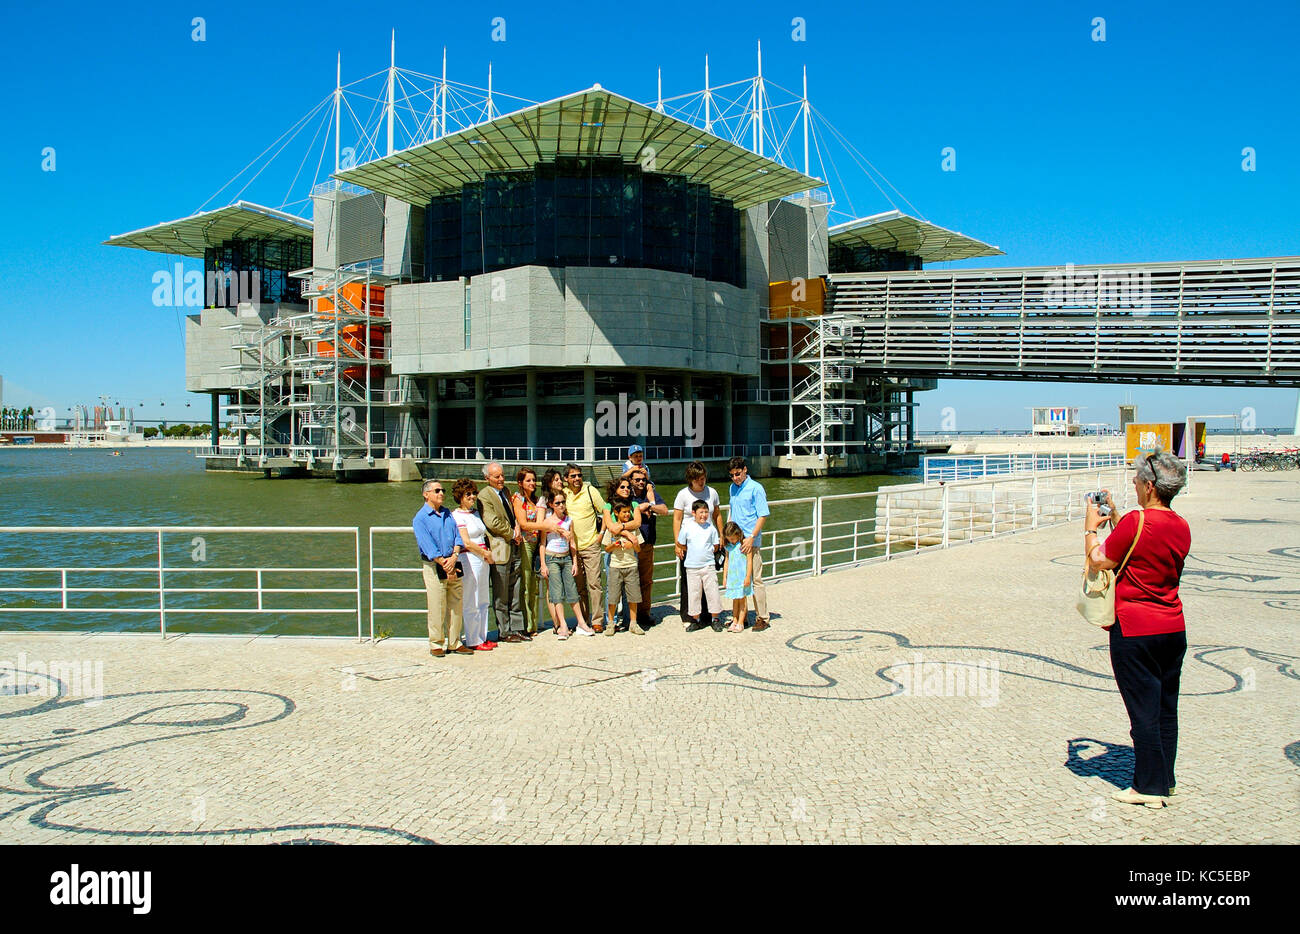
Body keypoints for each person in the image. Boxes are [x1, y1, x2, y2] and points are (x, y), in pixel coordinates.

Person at [1085, 451, 1191, 809]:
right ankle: (1166, 779)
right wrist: (1115, 515)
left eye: (1135, 480)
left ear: (1149, 486)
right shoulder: (1180, 524)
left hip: (1135, 629)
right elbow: (1142, 547)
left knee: (1142, 711)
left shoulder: (1137, 521)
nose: (1132, 483)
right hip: (1173, 628)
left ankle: (1147, 788)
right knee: (1165, 708)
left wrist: (1090, 527)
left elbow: (1101, 559)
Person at [412, 479, 473, 657]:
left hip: (453, 562)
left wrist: (454, 556)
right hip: (434, 566)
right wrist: (443, 561)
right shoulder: (420, 518)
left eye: (442, 490)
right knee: (437, 605)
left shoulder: (447, 513)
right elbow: (426, 545)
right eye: (437, 490)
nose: (441, 493)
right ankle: (436, 643)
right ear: (426, 494)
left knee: (456, 604)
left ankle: (455, 641)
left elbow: (457, 537)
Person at [478, 462, 528, 643]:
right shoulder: (484, 496)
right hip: (499, 547)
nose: (501, 479)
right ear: (487, 478)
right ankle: (504, 630)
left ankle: (517, 628)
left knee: (515, 588)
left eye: (502, 475)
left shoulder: (506, 491)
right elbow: (491, 521)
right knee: (501, 591)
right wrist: (512, 533)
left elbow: (513, 514)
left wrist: (517, 528)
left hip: (515, 546)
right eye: (496, 476)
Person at [673, 461, 722, 629]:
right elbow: (677, 519)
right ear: (690, 479)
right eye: (698, 479)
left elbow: (717, 515)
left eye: (703, 478)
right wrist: (677, 544)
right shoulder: (683, 495)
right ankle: (691, 615)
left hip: (708, 542)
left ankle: (710, 616)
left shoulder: (712, 492)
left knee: (709, 581)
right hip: (689, 543)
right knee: (689, 582)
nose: (701, 482)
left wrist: (721, 535)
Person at [539, 491, 593, 639]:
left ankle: (581, 623)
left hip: (566, 558)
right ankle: (562, 625)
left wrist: (575, 561)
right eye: (557, 503)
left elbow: (572, 543)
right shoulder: (547, 522)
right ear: (551, 505)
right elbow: (542, 544)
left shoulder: (569, 520)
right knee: (557, 593)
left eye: (563, 502)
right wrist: (543, 564)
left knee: (572, 591)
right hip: (552, 558)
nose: (561, 505)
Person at [727, 456, 771, 632]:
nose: (736, 478)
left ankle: (763, 617)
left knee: (756, 579)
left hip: (750, 541)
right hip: (735, 541)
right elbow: (732, 512)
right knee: (738, 579)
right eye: (732, 475)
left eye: (738, 474)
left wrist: (752, 536)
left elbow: (763, 515)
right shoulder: (732, 488)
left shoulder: (756, 488)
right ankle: (741, 617)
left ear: (745, 470)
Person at [563, 463, 608, 632]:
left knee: (594, 584)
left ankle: (597, 620)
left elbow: (606, 509)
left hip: (591, 545)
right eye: (573, 476)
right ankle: (583, 620)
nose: (577, 479)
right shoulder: (563, 493)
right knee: (579, 586)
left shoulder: (590, 491)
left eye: (579, 475)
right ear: (566, 478)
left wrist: (601, 533)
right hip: (572, 549)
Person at [451, 478, 495, 651]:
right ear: (460, 496)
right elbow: (466, 542)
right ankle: (473, 639)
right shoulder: (457, 516)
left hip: (483, 559)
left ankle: (482, 636)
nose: (472, 496)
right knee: (472, 598)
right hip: (470, 558)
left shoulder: (475, 513)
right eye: (467, 494)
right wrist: (485, 553)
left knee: (483, 598)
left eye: (473, 493)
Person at [512, 467, 556, 635]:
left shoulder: (536, 500)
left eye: (533, 480)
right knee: (526, 583)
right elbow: (523, 524)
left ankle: (533, 625)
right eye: (528, 480)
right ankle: (526, 624)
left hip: (537, 543)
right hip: (524, 544)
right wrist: (546, 525)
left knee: (533, 584)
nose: (532, 483)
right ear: (520, 483)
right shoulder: (518, 499)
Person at [624, 467, 668, 628]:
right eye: (637, 480)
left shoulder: (651, 495)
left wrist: (648, 506)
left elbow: (664, 510)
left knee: (646, 581)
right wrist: (638, 508)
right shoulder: (626, 494)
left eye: (643, 480)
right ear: (631, 481)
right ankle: (626, 616)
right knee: (627, 580)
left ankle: (644, 614)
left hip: (647, 544)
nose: (641, 482)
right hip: (629, 545)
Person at [677, 499, 721, 632]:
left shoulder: (711, 528)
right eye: (701, 512)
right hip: (691, 566)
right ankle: (695, 619)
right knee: (694, 593)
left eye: (706, 512)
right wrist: (691, 551)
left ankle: (715, 619)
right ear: (693, 513)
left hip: (708, 565)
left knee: (712, 592)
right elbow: (680, 543)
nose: (704, 515)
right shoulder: (687, 527)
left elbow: (715, 545)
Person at [603, 501, 645, 636]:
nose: (627, 515)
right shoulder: (612, 529)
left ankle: (633, 623)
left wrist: (633, 544)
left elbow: (639, 549)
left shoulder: (634, 529)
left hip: (631, 565)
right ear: (616, 513)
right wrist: (614, 545)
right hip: (615, 566)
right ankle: (610, 623)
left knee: (633, 596)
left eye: (628, 512)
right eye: (624, 512)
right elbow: (606, 548)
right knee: (613, 596)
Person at [721, 521, 753, 633]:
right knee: (735, 600)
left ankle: (741, 622)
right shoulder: (729, 546)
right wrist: (724, 577)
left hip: (742, 576)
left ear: (738, 534)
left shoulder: (744, 544)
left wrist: (748, 577)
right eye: (729, 539)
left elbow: (749, 561)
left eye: (733, 539)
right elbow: (727, 561)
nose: (732, 541)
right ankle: (734, 620)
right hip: (733, 577)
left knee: (742, 600)